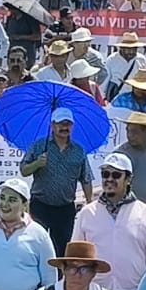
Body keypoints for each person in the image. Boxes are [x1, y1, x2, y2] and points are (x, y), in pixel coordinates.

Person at [71, 152, 146, 290]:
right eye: (105, 174)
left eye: (116, 175)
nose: (109, 179)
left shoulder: (145, 213)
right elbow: (75, 256)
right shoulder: (87, 213)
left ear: (128, 179)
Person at [19, 107, 92, 256]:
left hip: (65, 209)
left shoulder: (78, 150)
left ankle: (59, 279)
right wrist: (37, 164)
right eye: (60, 123)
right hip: (40, 206)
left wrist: (89, 203)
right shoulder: (40, 145)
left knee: (62, 249)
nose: (64, 127)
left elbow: (86, 179)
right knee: (36, 246)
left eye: (68, 124)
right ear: (52, 125)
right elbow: (24, 170)